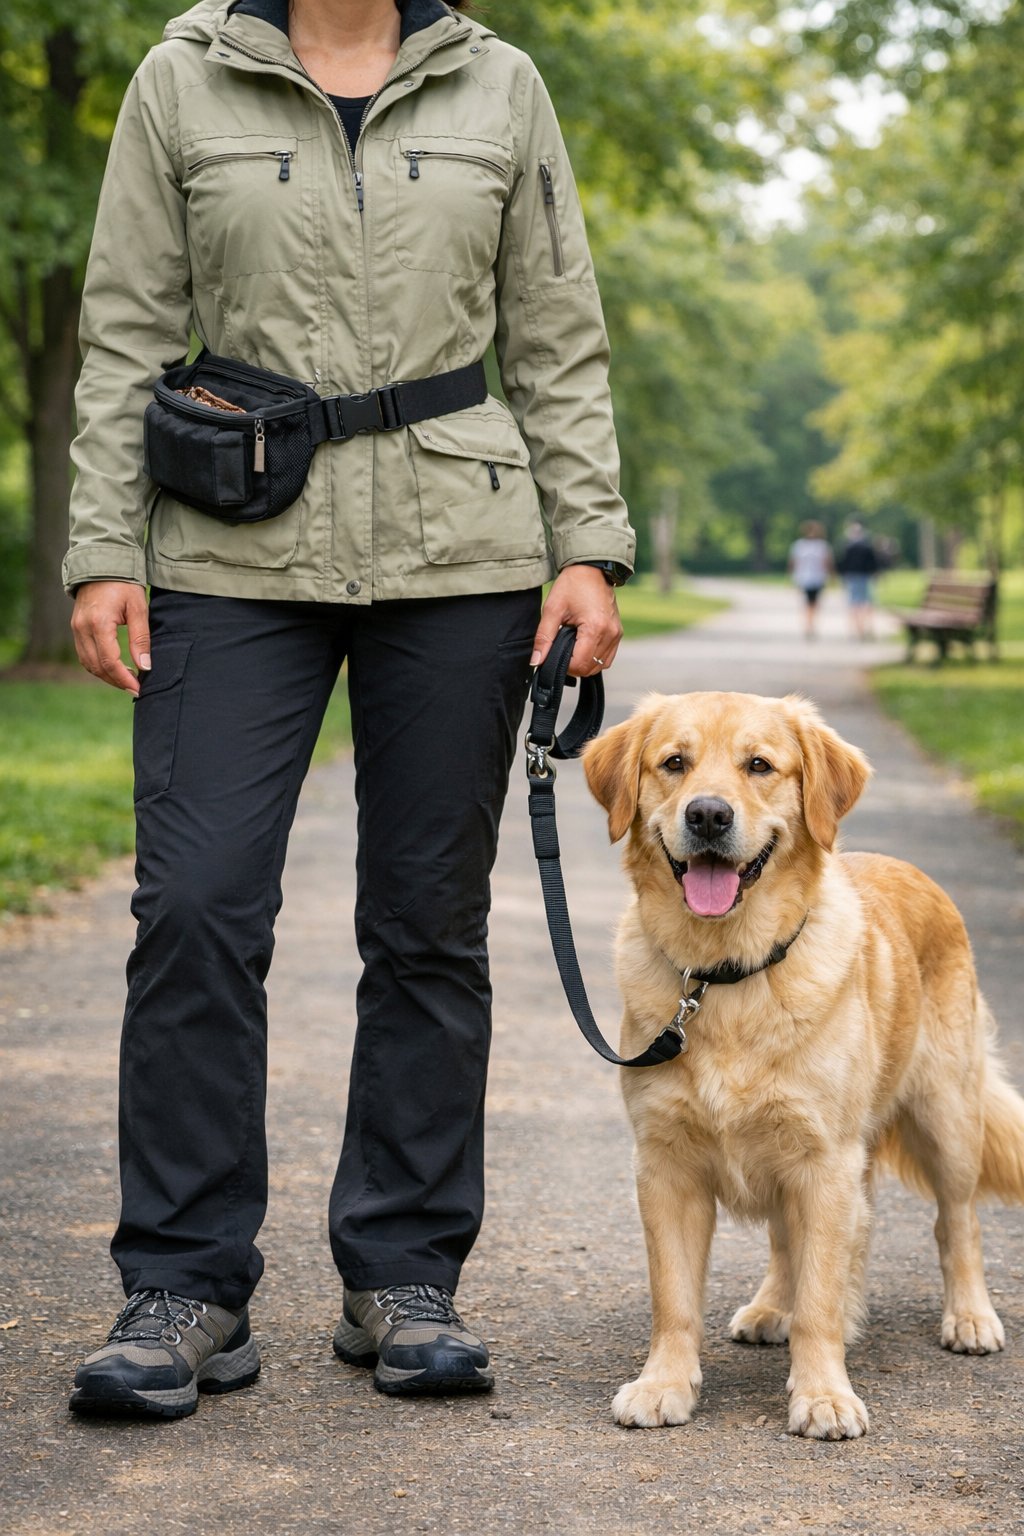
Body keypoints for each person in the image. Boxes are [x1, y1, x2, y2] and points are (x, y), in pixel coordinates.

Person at [64, 0, 634, 1419]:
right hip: (226, 544)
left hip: (463, 549)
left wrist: (589, 545)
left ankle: (405, 1274)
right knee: (195, 904)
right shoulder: (179, 79)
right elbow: (126, 325)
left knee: (428, 917)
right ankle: (184, 1284)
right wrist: (99, 551)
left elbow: (557, 327)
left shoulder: (500, 81)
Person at [787, 520, 833, 640]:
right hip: (804, 578)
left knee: (815, 603)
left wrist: (831, 575)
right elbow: (794, 562)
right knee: (807, 603)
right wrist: (792, 576)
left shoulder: (822, 546)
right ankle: (808, 625)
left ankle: (811, 624)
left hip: (818, 578)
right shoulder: (799, 545)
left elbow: (827, 562)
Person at [836, 521, 880, 639]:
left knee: (855, 603)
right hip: (864, 577)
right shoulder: (866, 547)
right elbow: (873, 564)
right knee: (865, 602)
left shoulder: (848, 547)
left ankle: (857, 628)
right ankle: (866, 627)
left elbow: (842, 564)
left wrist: (842, 577)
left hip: (853, 577)